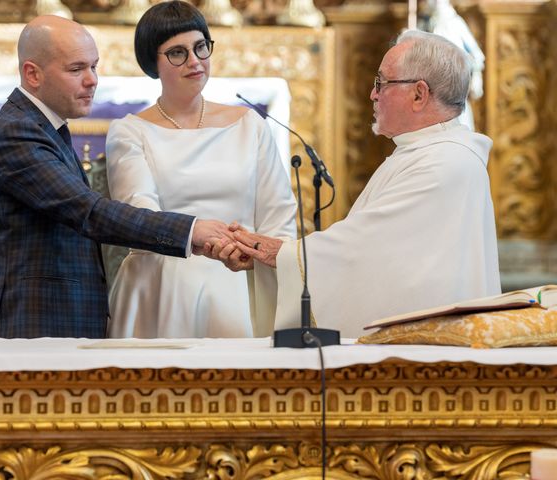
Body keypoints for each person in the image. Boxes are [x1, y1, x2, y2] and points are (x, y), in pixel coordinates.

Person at [211, 30, 501, 338]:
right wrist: (272, 258)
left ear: (419, 94)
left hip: (425, 355)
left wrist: (277, 254)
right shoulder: (423, 152)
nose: (373, 95)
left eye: (382, 83)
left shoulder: (445, 162)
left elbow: (363, 253)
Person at [0, 15, 231, 339]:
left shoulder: (43, 127)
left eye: (94, 66)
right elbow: (89, 212)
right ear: (32, 73)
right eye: (76, 69)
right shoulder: (19, 133)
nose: (92, 80)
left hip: (58, 322)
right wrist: (191, 230)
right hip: (35, 324)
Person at [105, 0, 297, 338]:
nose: (194, 61)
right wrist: (200, 240)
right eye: (177, 52)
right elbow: (139, 215)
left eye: (200, 47)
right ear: (153, 62)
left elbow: (278, 217)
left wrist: (250, 251)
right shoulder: (129, 131)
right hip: (161, 285)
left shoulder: (250, 124)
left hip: (240, 283)